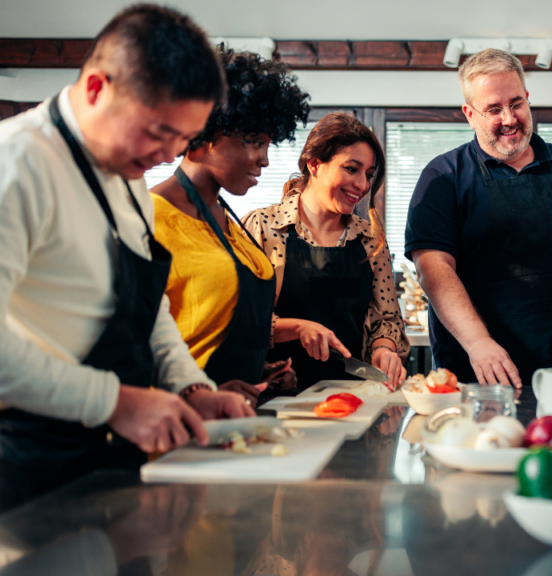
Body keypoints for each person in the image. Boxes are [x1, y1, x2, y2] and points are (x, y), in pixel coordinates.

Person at [0, 4, 254, 510]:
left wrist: (189, 389)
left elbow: (146, 306)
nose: (166, 155)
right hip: (31, 463)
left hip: (116, 456)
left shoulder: (130, 175)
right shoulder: (19, 163)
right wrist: (113, 402)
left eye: (183, 139)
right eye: (157, 132)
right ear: (97, 87)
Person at [405, 48, 552, 388]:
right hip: (477, 365)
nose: (509, 118)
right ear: (469, 114)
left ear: (528, 99)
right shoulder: (443, 177)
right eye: (493, 109)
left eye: (516, 103)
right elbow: (433, 269)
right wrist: (478, 343)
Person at [150, 47, 310, 406]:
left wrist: (257, 372)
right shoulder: (150, 217)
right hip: (179, 425)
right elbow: (135, 342)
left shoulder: (230, 221)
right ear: (207, 132)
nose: (265, 160)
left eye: (268, 144)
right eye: (254, 141)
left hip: (232, 421)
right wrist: (198, 393)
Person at [243, 112, 409, 391]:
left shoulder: (371, 239)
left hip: (356, 396)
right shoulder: (263, 228)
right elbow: (242, 320)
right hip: (279, 396)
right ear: (315, 164)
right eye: (351, 169)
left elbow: (386, 318)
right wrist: (298, 327)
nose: (363, 185)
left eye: (369, 175)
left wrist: (384, 348)